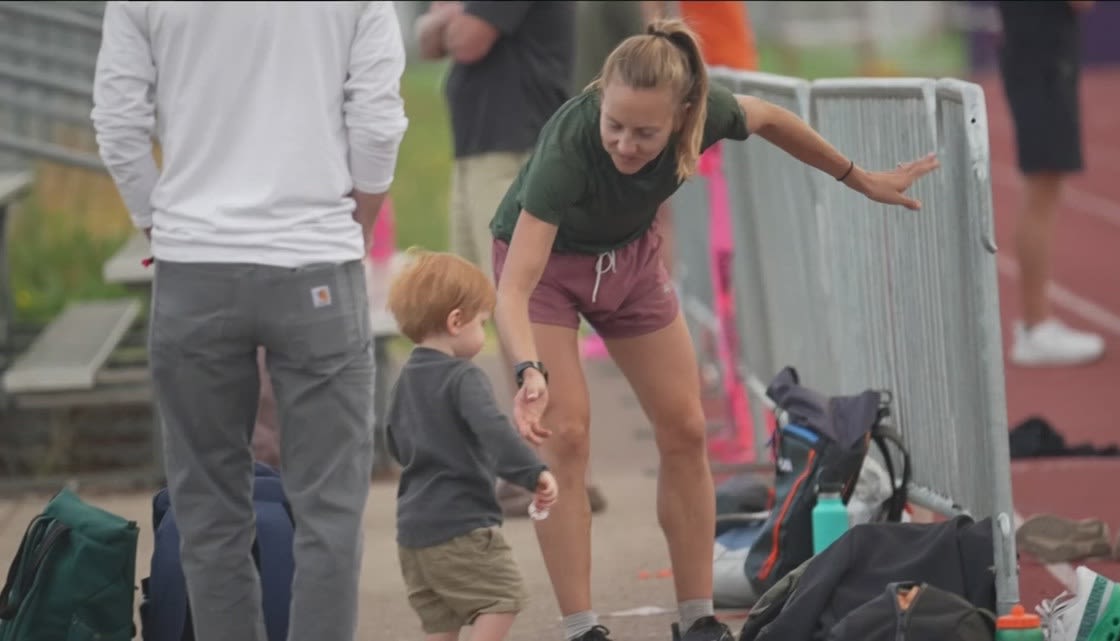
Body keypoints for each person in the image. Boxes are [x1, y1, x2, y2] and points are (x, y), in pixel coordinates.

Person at [489, 18, 939, 641]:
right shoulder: (570, 149)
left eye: (645, 133)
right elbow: (513, 287)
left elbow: (777, 120)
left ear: (684, 117)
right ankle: (581, 627)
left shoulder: (712, 111)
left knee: (685, 427)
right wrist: (526, 370)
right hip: (546, 273)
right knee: (565, 433)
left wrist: (858, 178)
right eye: (613, 124)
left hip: (630, 261)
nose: (623, 143)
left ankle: (697, 617)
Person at [91, 3, 408, 640]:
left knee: (209, 510)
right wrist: (357, 218)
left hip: (195, 264)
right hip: (316, 257)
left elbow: (118, 123)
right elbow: (378, 119)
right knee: (331, 513)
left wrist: (163, 224)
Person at [414, 0, 608, 517]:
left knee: (528, 308)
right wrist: (444, 20)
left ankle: (556, 466)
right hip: (482, 151)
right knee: (498, 308)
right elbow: (430, 40)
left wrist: (447, 19)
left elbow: (466, 39)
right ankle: (534, 463)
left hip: (515, 150)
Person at [384, 249, 559, 641]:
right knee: (503, 598)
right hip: (461, 526)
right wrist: (533, 473)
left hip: (413, 533)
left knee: (442, 622)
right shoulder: (463, 377)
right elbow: (493, 430)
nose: (485, 334)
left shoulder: (405, 379)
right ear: (456, 321)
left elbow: (394, 442)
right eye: (483, 323)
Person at [997, 0, 1106, 367]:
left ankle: (1036, 322)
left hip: (1037, 57)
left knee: (1042, 189)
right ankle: (1035, 323)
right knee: (1042, 189)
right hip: (1043, 61)